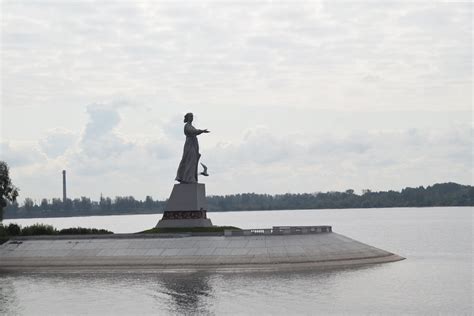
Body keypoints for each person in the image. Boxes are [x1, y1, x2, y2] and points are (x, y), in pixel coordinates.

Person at [175, 113, 210, 183]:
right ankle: (188, 178)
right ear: (187, 118)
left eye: (192, 116)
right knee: (190, 161)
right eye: (190, 116)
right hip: (189, 145)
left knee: (193, 161)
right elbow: (193, 131)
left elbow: (195, 131)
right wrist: (201, 131)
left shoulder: (191, 126)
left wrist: (201, 131)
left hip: (193, 144)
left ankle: (189, 177)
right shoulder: (187, 126)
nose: (192, 118)